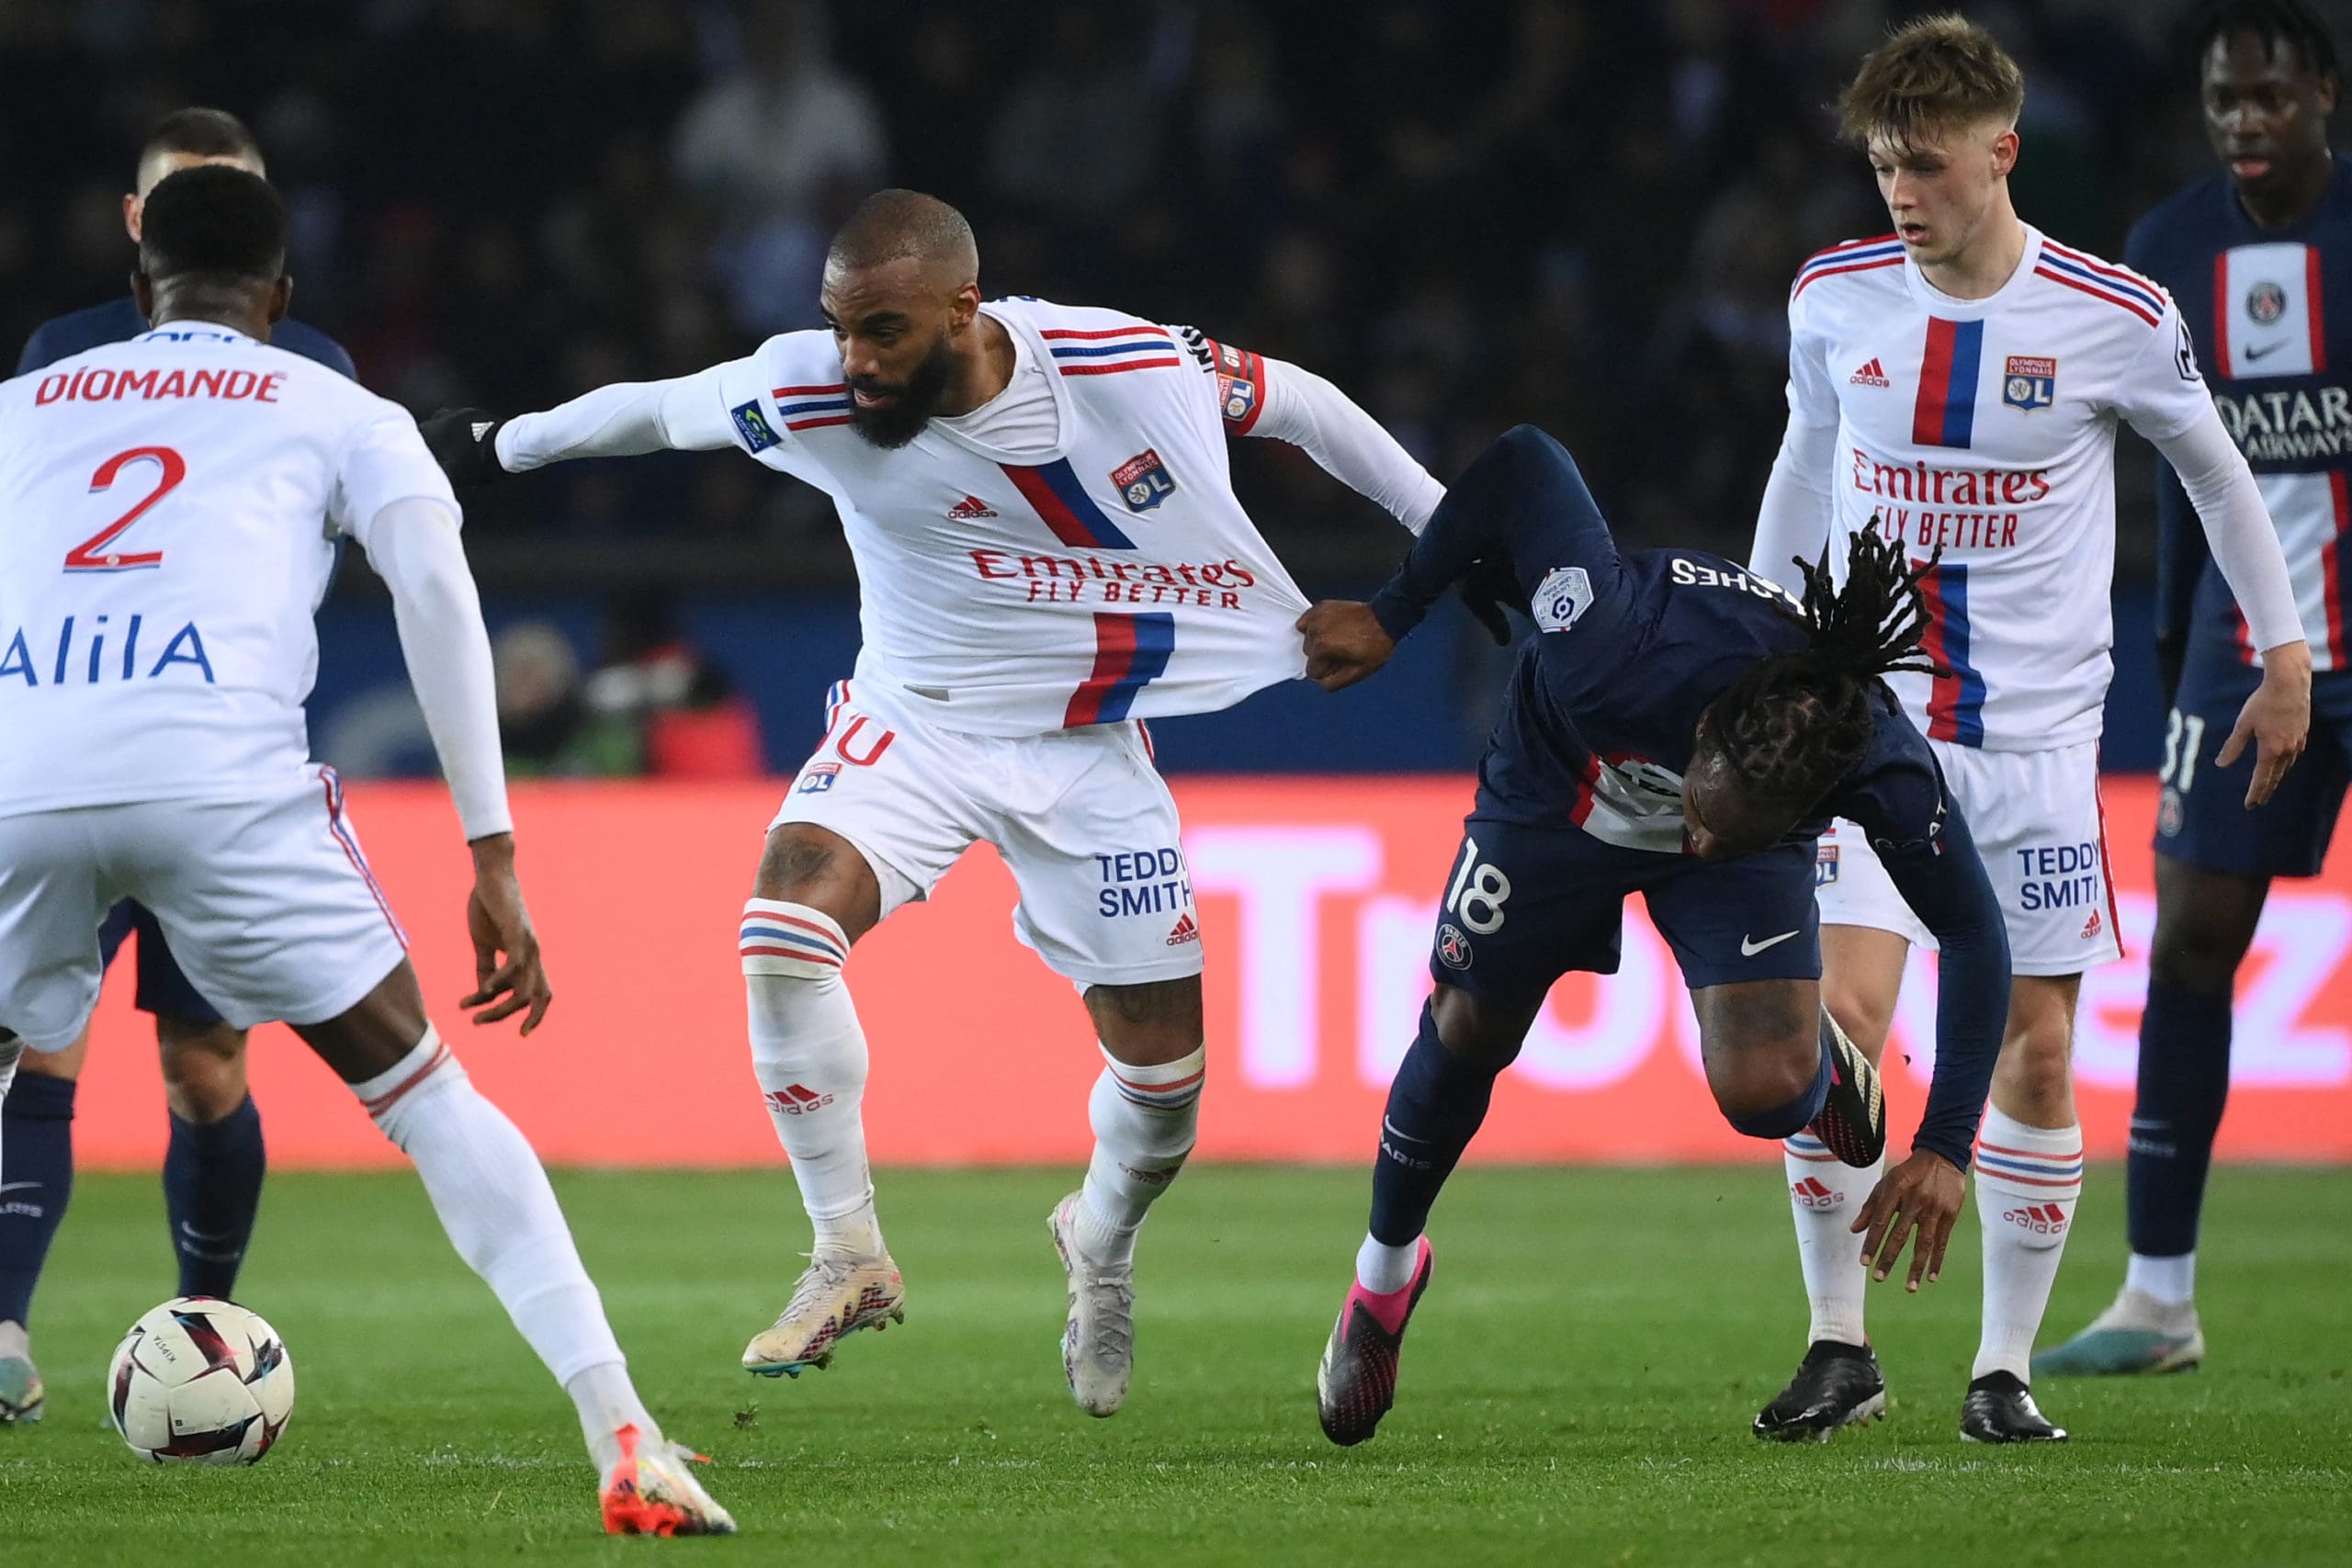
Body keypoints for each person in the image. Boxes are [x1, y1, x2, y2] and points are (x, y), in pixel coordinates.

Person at [418, 188, 1443, 1416]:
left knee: (1165, 1095)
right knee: (781, 928)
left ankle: (1099, 1241)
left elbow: (1305, 406)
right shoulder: (807, 390)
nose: (855, 361)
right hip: (915, 719)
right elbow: (655, 412)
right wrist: (497, 444)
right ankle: (847, 1250)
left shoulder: (1116, 362)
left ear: (967, 306)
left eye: (885, 333)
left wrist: (1429, 559)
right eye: (841, 328)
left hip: (1083, 749)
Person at [0, 166, 731, 1535]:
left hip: (21, 769)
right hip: (219, 778)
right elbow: (439, 597)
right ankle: (621, 1424)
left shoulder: (22, 406)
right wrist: (492, 850)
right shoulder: (332, 401)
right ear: (279, 297)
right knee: (424, 1095)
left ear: (138, 281)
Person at [1746, 13, 2311, 1442]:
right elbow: (1803, 466)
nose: (1899, 192)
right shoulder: (1833, 297)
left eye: (1925, 166)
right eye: (1882, 166)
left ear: (2001, 153)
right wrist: (1758, 643)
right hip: (1872, 732)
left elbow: (2221, 477)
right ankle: (1837, 1342)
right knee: (1842, 1025)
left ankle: (2001, 1370)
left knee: (2034, 1057)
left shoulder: (2111, 315)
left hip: (2041, 746)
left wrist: (2284, 652)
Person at [1299, 423, 2013, 1449]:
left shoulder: (1873, 765)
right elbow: (1528, 459)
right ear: (1705, 732)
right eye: (1697, 807)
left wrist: (1947, 1147)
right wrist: (1394, 608)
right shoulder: (1608, 641)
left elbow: (1976, 936)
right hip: (1560, 791)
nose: (1691, 828)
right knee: (1467, 1028)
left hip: (1742, 859)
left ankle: (1824, 1070)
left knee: (1764, 1094)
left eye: (1716, 829)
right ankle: (1383, 1280)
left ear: (1811, 810)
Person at [0, 106, 359, 1426]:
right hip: (65, 736)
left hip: (217, 760)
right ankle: (4, 1329)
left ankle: (204, 1318)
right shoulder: (60, 361)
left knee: (202, 1067)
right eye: (184, 197)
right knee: (38, 1043)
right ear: (136, 224)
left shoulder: (315, 365)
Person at [2041, 0, 2349, 1379]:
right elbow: (2167, 479)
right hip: (2240, 656)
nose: (2246, 122)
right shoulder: (2167, 253)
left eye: (2270, 97)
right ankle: (2159, 1296)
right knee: (2187, 950)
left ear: (2324, 96)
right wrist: (2171, 650)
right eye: (2227, 101)